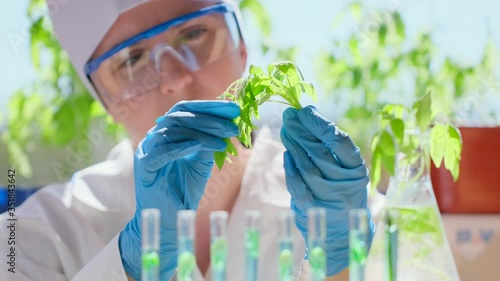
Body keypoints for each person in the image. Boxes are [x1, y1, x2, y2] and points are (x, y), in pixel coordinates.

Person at [0, 0, 376, 280]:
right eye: (131, 59)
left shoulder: (347, 206)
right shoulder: (31, 235)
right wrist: (130, 267)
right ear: (106, 101)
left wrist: (342, 264)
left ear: (242, 49)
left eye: (194, 33)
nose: (175, 77)